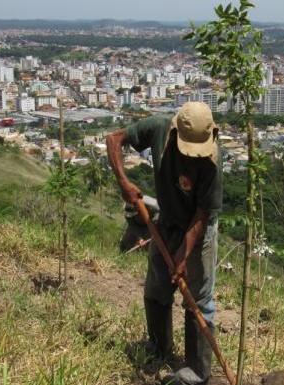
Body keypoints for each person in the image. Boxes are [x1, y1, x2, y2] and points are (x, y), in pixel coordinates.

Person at [106, 102, 222, 385]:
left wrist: (183, 254)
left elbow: (202, 215)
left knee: (198, 298)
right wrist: (124, 182)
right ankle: (158, 348)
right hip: (166, 220)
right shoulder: (158, 128)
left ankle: (197, 370)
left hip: (198, 229)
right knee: (157, 286)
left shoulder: (212, 162)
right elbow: (114, 139)